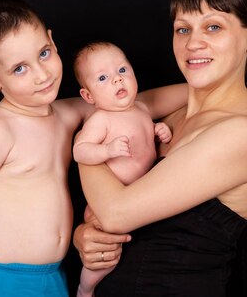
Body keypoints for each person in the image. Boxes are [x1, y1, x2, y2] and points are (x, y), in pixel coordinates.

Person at [0, 0, 189, 296]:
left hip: (51, 277)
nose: (42, 74)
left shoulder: (66, 114)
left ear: (52, 40)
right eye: (19, 69)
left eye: (43, 53)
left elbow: (139, 103)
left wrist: (203, 90)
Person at [73, 0, 247, 297]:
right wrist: (85, 236)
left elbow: (116, 213)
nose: (193, 43)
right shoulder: (170, 114)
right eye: (183, 29)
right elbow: (69, 111)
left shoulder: (242, 133)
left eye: (213, 27)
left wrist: (86, 145)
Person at [71, 42, 173, 297]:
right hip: (106, 204)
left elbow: (146, 138)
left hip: (137, 199)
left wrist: (160, 131)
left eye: (122, 70)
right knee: (106, 254)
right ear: (89, 96)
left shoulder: (141, 109)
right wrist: (106, 151)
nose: (117, 80)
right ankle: (86, 288)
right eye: (103, 78)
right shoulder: (100, 120)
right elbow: (79, 151)